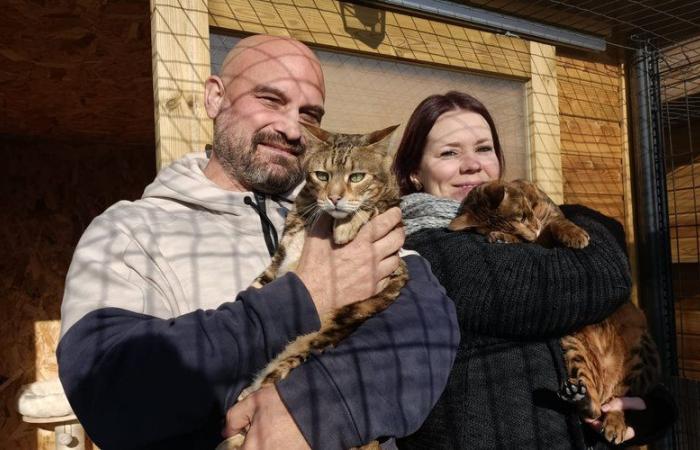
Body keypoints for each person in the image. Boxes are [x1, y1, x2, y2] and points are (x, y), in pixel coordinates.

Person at [57, 35, 459, 450]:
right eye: (270, 99)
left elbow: (431, 323)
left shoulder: (334, 208)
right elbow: (107, 391)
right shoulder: (129, 229)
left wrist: (308, 412)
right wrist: (307, 293)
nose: (290, 128)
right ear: (215, 97)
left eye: (309, 114)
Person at [392, 91, 677, 449]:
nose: (471, 164)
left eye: (484, 148)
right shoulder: (421, 248)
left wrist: (645, 407)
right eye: (449, 152)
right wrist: (585, 224)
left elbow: (600, 303)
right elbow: (601, 275)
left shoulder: (514, 221)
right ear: (415, 172)